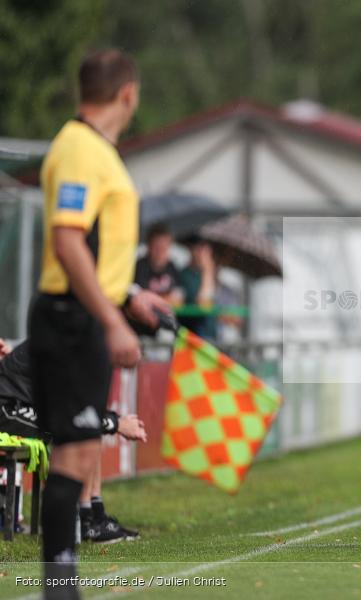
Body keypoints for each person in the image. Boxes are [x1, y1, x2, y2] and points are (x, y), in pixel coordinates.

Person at [28, 49, 169, 597]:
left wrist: (127, 296)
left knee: (82, 451)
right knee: (73, 453)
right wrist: (112, 320)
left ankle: (62, 586)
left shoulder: (95, 150)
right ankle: (59, 586)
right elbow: (67, 242)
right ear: (128, 94)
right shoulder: (81, 149)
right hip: (72, 317)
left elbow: (92, 246)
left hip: (86, 313)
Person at [0, 339, 146, 540]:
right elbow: (70, 413)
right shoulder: (69, 347)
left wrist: (114, 421)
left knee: (87, 431)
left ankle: (94, 514)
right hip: (7, 409)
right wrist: (117, 424)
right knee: (79, 431)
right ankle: (85, 519)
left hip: (19, 402)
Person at [177, 236, 218, 340]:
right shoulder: (184, 275)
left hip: (210, 333)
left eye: (205, 250)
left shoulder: (211, 274)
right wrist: (207, 271)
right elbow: (202, 303)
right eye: (199, 249)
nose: (202, 254)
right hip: (193, 334)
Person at [134, 223, 183, 305]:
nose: (160, 252)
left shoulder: (172, 267)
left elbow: (179, 297)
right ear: (149, 246)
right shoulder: (139, 268)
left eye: (164, 247)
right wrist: (166, 298)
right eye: (157, 247)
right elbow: (139, 298)